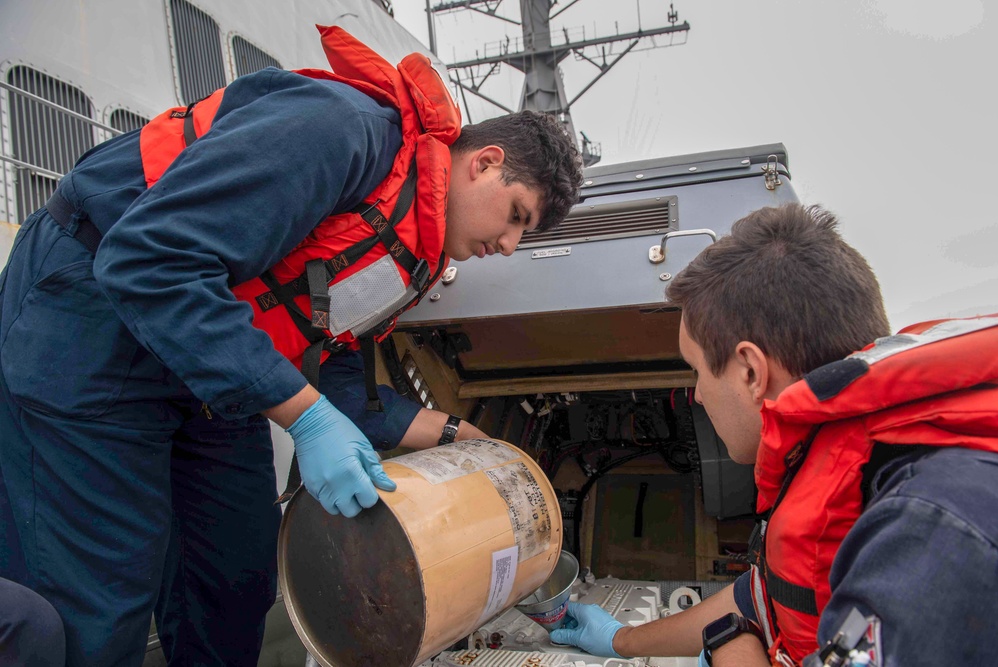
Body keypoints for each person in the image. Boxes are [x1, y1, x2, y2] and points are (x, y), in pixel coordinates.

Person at [0, 26, 582, 667]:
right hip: (93, 321)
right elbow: (149, 258)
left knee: (236, 582)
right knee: (98, 602)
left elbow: (331, 378)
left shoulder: (406, 253)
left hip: (208, 356)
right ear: (486, 162)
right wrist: (304, 417)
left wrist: (460, 438)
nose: (507, 247)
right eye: (518, 217)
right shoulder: (340, 130)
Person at [549, 204, 998, 666]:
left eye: (698, 371)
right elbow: (767, 594)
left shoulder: (939, 525)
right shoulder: (855, 451)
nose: (699, 397)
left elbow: (742, 629)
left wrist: (731, 647)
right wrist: (621, 639)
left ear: (751, 372)